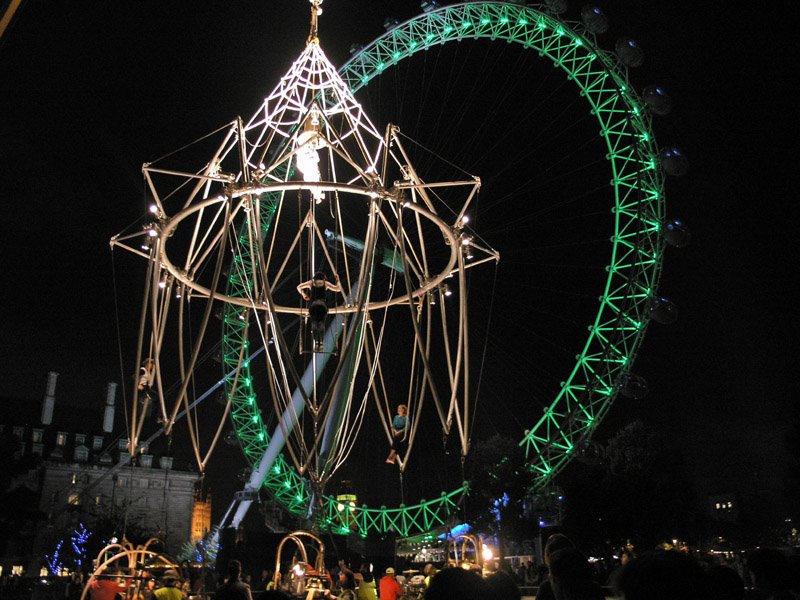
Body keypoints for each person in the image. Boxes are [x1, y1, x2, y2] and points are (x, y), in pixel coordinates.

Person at [297, 271, 342, 351]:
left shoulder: (311, 282)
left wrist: (304, 294)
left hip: (313, 305)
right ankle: (320, 342)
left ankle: (316, 342)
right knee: (321, 323)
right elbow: (338, 289)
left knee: (314, 324)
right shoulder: (326, 283)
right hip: (322, 305)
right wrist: (338, 280)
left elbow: (299, 287)